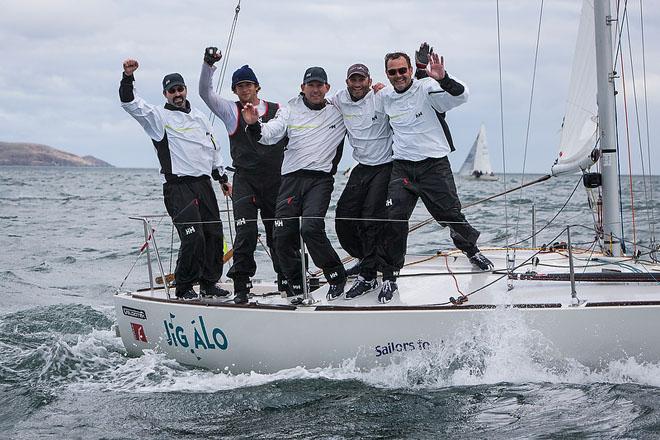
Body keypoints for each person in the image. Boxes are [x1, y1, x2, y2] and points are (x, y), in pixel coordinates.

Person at [379, 50, 493, 303]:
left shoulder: (428, 89)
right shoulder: (384, 96)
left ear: (410, 70)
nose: (398, 76)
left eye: (402, 70)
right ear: (386, 74)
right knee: (394, 221)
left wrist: (444, 78)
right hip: (402, 168)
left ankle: (471, 251)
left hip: (433, 165)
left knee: (451, 214)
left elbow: (461, 96)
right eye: (392, 72)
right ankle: (390, 275)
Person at [119, 59, 231, 300]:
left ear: (185, 90)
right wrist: (128, 77)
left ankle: (209, 283)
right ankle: (184, 287)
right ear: (165, 94)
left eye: (180, 89)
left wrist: (220, 175)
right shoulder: (158, 117)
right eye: (172, 91)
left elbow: (213, 148)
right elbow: (130, 103)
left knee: (214, 235)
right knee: (193, 237)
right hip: (178, 187)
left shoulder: (200, 118)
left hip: (204, 185)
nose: (177, 94)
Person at [241, 67, 347, 301]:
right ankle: (297, 285)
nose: (315, 89)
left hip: (319, 180)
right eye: (311, 85)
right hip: (290, 180)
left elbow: (361, 100)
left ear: (327, 88)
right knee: (281, 233)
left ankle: (336, 277)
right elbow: (270, 134)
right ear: (303, 88)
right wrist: (254, 124)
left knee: (310, 228)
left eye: (320, 85)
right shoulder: (289, 110)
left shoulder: (338, 110)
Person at [199, 47, 287, 304]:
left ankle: (288, 278)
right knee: (245, 232)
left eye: (248, 84)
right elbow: (205, 92)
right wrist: (208, 64)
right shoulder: (230, 111)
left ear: (257, 87)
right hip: (245, 180)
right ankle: (241, 285)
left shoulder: (278, 109)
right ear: (234, 91)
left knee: (278, 233)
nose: (244, 89)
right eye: (239, 86)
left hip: (275, 180)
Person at [331, 63, 393, 300]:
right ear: (347, 82)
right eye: (353, 80)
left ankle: (369, 276)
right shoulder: (340, 99)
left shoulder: (380, 96)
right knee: (344, 217)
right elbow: (319, 105)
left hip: (385, 165)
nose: (357, 84)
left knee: (370, 219)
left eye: (361, 80)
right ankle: (367, 259)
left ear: (369, 80)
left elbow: (402, 100)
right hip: (361, 167)